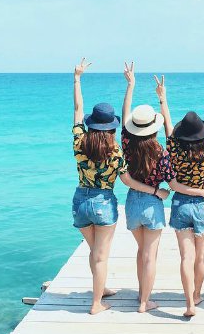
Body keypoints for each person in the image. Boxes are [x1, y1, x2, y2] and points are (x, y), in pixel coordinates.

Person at [71, 58, 168, 315]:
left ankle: (100, 288)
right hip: (103, 203)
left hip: (80, 200)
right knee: (101, 255)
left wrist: (77, 79)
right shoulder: (115, 151)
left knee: (95, 252)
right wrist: (155, 191)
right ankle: (96, 303)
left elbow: (78, 110)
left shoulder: (79, 142)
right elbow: (126, 180)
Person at [121, 63, 204, 313]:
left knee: (142, 252)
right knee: (155, 256)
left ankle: (142, 294)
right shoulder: (162, 153)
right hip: (156, 205)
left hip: (132, 202)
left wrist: (131, 86)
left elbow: (127, 118)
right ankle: (155, 301)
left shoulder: (128, 145)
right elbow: (172, 184)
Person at [159, 73, 204, 317]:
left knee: (186, 257)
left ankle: (189, 304)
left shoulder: (174, 148)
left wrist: (162, 98)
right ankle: (197, 294)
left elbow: (167, 124)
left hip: (181, 205)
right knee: (201, 257)